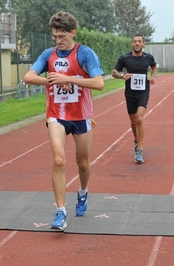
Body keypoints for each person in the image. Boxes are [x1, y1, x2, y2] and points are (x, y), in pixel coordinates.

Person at [23, 11, 104, 230]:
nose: (58, 41)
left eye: (62, 36)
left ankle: (83, 192)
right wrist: (52, 82)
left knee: (83, 163)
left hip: (81, 116)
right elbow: (28, 77)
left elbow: (99, 84)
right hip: (56, 114)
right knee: (58, 160)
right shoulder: (48, 54)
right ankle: (60, 212)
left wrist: (68, 79)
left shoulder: (85, 54)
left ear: (72, 32)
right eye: (55, 36)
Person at [111, 34, 157, 164]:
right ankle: (136, 139)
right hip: (130, 93)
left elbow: (154, 67)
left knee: (140, 119)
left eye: (139, 41)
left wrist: (152, 76)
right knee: (133, 121)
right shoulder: (125, 58)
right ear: (132, 44)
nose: (137, 43)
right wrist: (121, 76)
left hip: (143, 92)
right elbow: (114, 72)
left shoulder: (148, 57)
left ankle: (140, 150)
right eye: (135, 41)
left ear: (143, 44)